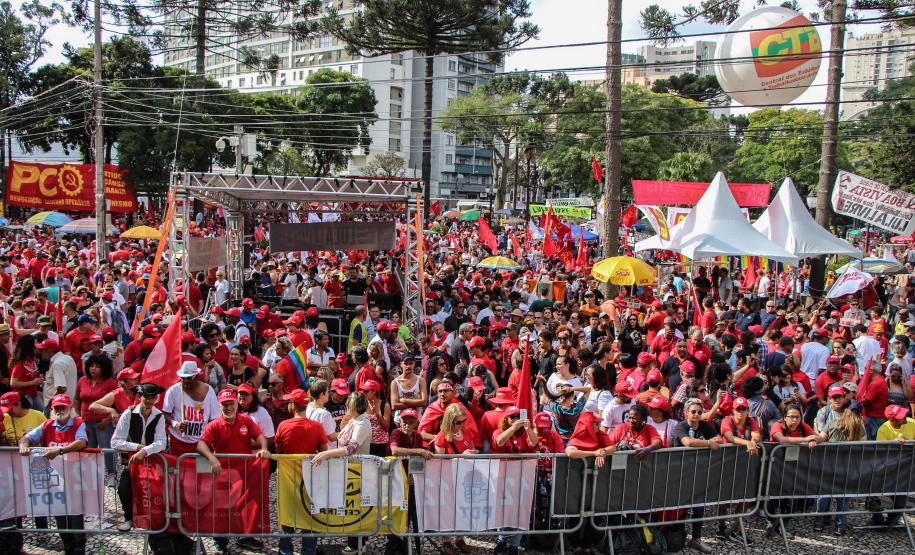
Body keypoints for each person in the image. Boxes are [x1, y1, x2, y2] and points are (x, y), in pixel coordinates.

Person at [197, 388, 271, 554]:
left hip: (244, 474)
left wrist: (264, 448)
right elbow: (201, 444)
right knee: (221, 508)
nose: (228, 407)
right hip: (222, 477)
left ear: (237, 403)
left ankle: (245, 537)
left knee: (245, 506)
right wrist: (211, 458)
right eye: (224, 404)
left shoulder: (246, 421)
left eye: (231, 403)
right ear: (219, 405)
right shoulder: (214, 425)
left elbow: (260, 437)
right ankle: (220, 543)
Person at [18, 394, 88, 555]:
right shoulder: (47, 425)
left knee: (75, 514)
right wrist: (23, 445)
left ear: (70, 408)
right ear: (52, 408)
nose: (60, 410)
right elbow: (26, 438)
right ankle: (67, 545)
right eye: (57, 407)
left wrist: (61, 450)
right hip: (54, 480)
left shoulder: (78, 423)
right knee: (59, 515)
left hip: (75, 478)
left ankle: (79, 547)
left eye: (63, 407)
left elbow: (82, 441)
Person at [274, 389, 328, 555]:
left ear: (292, 406)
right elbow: (323, 451)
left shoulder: (283, 426)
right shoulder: (317, 427)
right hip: (310, 477)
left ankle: (285, 550)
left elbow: (279, 450)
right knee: (309, 514)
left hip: (287, 477)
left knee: (286, 512)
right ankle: (308, 550)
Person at [110, 382, 167, 532]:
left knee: (156, 491)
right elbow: (115, 441)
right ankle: (129, 517)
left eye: (152, 398)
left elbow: (162, 442)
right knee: (124, 488)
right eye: (146, 397)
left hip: (152, 461)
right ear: (139, 397)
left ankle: (156, 521)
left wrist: (145, 451)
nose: (149, 401)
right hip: (131, 461)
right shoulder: (128, 414)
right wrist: (136, 447)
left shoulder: (159, 416)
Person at [669, 397, 722, 554]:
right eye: (693, 412)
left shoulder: (704, 425)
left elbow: (718, 438)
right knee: (679, 507)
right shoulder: (680, 426)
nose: (697, 415)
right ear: (686, 413)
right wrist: (707, 443)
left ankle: (696, 538)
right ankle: (676, 537)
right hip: (679, 473)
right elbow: (687, 442)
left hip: (697, 472)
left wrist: (710, 441)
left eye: (700, 412)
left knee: (699, 506)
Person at [814, 395, 866, 535]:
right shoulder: (859, 428)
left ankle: (818, 523)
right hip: (848, 467)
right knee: (843, 498)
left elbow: (821, 438)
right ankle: (840, 526)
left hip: (830, 465)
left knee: (824, 494)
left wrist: (812, 438)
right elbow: (864, 445)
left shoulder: (832, 423)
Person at [387, 408, 430, 555]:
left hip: (408, 480)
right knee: (396, 512)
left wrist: (412, 474)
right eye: (404, 421)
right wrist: (418, 451)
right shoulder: (396, 433)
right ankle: (393, 547)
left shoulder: (417, 437)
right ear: (400, 421)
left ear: (416, 423)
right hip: (394, 480)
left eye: (411, 422)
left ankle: (405, 546)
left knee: (409, 513)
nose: (407, 424)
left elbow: (416, 459)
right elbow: (394, 450)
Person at [163, 361, 221, 455]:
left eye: (189, 378)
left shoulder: (209, 391)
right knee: (180, 468)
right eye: (183, 378)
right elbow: (165, 414)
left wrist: (208, 438)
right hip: (178, 441)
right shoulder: (173, 391)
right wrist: (175, 423)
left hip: (202, 442)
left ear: (196, 376)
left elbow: (214, 419)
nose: (185, 381)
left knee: (200, 469)